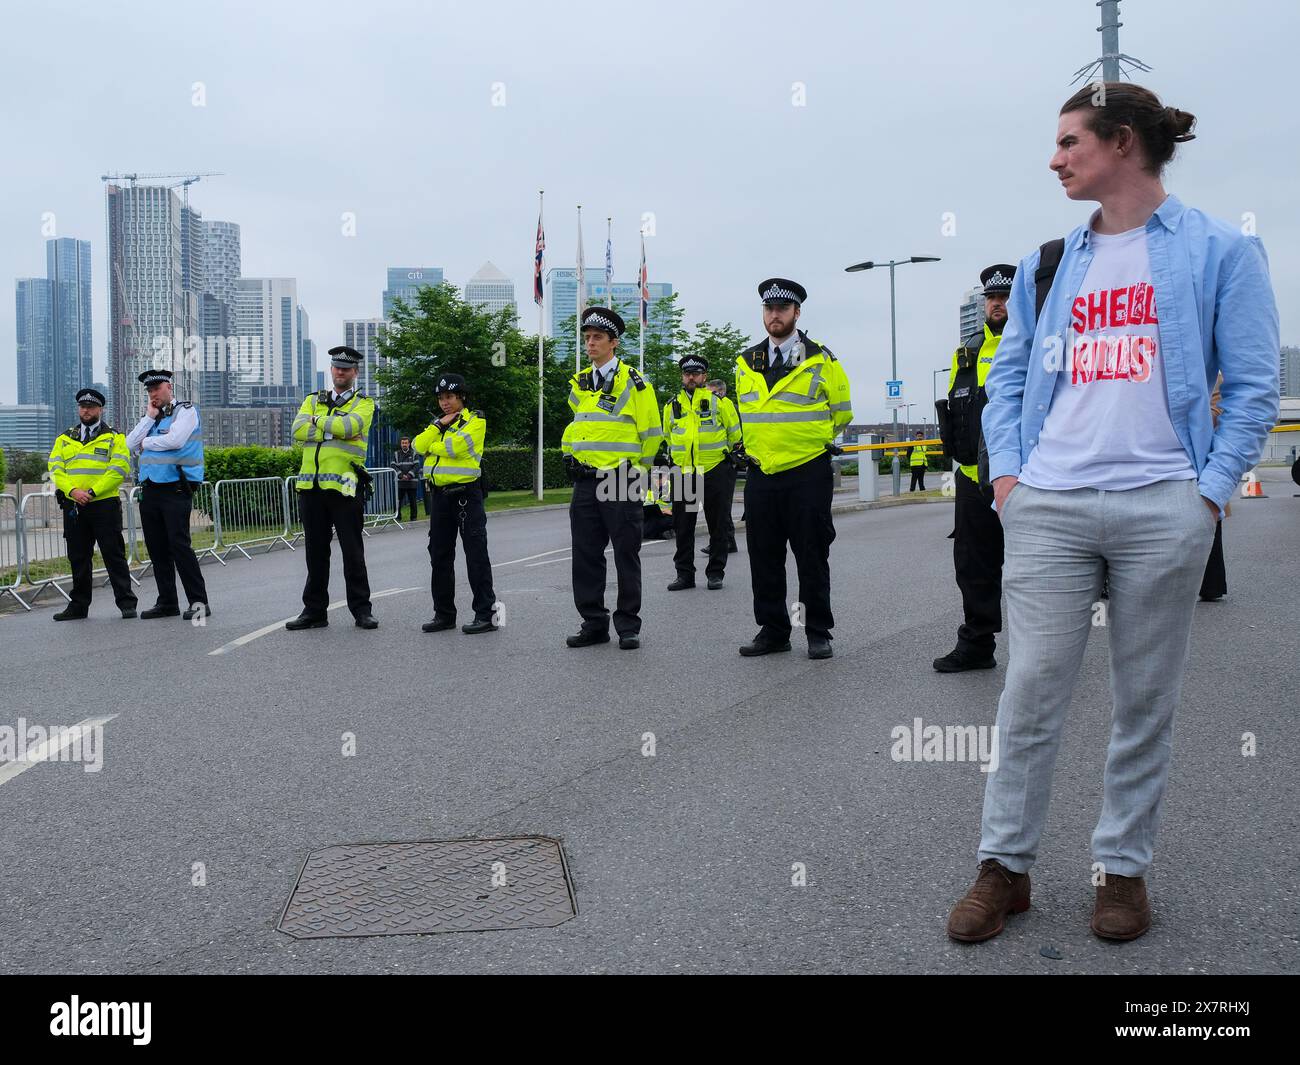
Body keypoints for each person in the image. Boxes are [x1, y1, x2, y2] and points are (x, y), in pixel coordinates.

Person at [947, 84, 1279, 945]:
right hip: (1049, 504)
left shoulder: (1221, 252)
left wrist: (1207, 494)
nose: (1054, 159)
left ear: (1121, 142)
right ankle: (1004, 866)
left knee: (1144, 700)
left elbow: (1252, 386)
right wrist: (1010, 480)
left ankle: (1121, 870)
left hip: (1162, 504)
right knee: (1030, 690)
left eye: (1069, 142)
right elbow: (1008, 377)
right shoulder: (1048, 262)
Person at [734, 279, 852, 660]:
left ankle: (817, 631)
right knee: (764, 558)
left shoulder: (822, 359)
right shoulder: (745, 361)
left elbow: (841, 413)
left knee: (811, 555)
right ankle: (773, 631)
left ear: (796, 313)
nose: (774, 315)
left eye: (782, 309)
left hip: (806, 473)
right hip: (760, 474)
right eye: (769, 309)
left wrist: (806, 443)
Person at [560, 307, 661, 650]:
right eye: (587, 338)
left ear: (614, 342)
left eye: (597, 338)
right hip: (585, 480)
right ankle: (593, 623)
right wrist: (568, 453)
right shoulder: (580, 382)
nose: (590, 343)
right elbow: (577, 426)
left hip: (622, 477)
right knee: (586, 554)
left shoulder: (635, 382)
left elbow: (651, 433)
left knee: (625, 554)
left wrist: (638, 472)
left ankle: (628, 625)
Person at [932, 264, 1015, 672]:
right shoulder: (966, 349)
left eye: (1006, 297)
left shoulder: (1036, 343)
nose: (997, 304)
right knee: (973, 564)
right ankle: (978, 644)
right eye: (992, 298)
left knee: (1036, 565)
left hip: (1026, 477)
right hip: (972, 476)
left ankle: (1047, 650)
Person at [286, 345, 378, 631]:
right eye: (337, 368)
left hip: (345, 488)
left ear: (355, 373)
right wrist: (330, 425)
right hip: (311, 487)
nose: (341, 372)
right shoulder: (313, 399)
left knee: (352, 552)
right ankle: (314, 611)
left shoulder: (364, 403)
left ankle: (362, 610)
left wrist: (318, 423)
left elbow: (351, 426)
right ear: (331, 370)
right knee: (315, 553)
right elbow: (297, 430)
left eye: (346, 369)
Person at [413, 373, 497, 635]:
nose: (444, 402)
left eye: (449, 397)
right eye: (440, 398)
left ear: (461, 397)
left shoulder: (476, 420)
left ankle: (485, 614)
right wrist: (438, 428)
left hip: (465, 495)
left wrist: (434, 445)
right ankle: (444, 614)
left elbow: (458, 448)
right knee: (439, 555)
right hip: (439, 496)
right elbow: (418, 445)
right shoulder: (438, 423)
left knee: (475, 554)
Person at [125, 369, 210, 620]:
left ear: (169, 387)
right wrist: (149, 419)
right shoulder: (150, 417)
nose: (153, 394)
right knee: (157, 549)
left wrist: (147, 442)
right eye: (149, 391)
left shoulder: (185, 411)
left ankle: (198, 602)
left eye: (157, 389)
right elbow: (129, 444)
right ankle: (167, 602)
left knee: (179, 546)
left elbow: (175, 440)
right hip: (150, 489)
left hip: (176, 488)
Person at [46, 388, 137, 620]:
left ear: (100, 409)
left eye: (91, 407)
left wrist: (93, 491)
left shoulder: (115, 437)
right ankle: (78, 606)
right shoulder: (64, 438)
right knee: (78, 557)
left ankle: (126, 603)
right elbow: (55, 470)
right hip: (74, 505)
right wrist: (73, 491)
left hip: (104, 505)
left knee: (113, 554)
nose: (86, 410)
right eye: (82, 406)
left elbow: (118, 470)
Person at [662, 355, 743, 590]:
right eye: (687, 374)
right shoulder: (671, 405)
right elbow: (668, 437)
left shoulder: (720, 403)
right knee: (683, 526)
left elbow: (735, 435)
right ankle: (684, 575)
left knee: (717, 524)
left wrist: (726, 461)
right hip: (685, 472)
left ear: (704, 376)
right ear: (682, 376)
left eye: (696, 374)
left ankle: (715, 573)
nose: (691, 377)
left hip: (715, 470)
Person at [704, 379, 740, 554]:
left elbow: (734, 435)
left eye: (712, 392)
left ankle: (723, 542)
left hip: (723, 462)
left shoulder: (726, 406)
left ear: (721, 392)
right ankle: (728, 541)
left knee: (722, 507)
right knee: (721, 508)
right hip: (711, 464)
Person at [391, 436, 421, 523]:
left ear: (409, 444)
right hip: (400, 482)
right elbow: (393, 465)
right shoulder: (396, 454)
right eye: (403, 443)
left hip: (411, 482)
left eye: (406, 443)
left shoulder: (414, 453)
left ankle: (413, 518)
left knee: (413, 501)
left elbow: (416, 466)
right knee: (398, 501)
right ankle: (397, 517)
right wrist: (400, 475)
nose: (404, 444)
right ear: (400, 444)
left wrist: (408, 475)